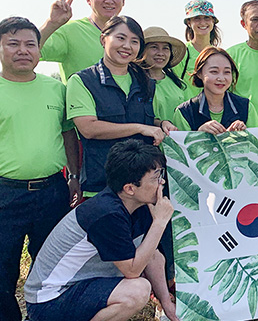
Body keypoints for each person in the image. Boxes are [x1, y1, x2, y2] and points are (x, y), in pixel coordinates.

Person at [24, 140, 179, 321]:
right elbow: (132, 270)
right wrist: (159, 223)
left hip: (82, 286)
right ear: (130, 188)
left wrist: (166, 303)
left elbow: (153, 256)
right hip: (49, 300)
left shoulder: (139, 203)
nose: (162, 182)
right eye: (155, 178)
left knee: (138, 285)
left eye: (161, 174)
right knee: (136, 291)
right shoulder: (106, 213)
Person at [0, 17, 80, 321]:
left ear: (39, 49)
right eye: (13, 44)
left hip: (52, 190)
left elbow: (68, 133)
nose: (23, 50)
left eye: (30, 44)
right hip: (5, 194)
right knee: (2, 269)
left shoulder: (55, 89)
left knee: (50, 265)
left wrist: (73, 177)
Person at [66, 16, 167, 197]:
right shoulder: (82, 81)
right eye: (121, 38)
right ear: (104, 39)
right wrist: (140, 128)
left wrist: (161, 124)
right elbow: (88, 128)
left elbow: (147, 120)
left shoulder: (146, 82)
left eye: (134, 41)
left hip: (142, 190)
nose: (127, 46)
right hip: (102, 187)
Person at [39, 0, 126, 82]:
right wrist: (51, 24)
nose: (109, 1)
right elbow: (30, 51)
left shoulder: (131, 38)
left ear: (123, 1)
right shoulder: (70, 31)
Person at [173, 46, 258, 132]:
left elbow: (257, 142)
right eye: (214, 72)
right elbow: (181, 145)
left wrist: (240, 136)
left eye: (227, 72)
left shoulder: (246, 107)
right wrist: (199, 134)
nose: (221, 78)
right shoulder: (184, 112)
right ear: (199, 73)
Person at [139, 26, 187, 126]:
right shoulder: (135, 81)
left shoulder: (177, 83)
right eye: (154, 47)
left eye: (165, 48)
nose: (160, 53)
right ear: (143, 51)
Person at [178, 0, 222, 98]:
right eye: (197, 18)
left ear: (213, 21)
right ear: (189, 23)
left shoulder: (219, 54)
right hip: (187, 111)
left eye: (206, 18)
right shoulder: (181, 53)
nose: (202, 23)